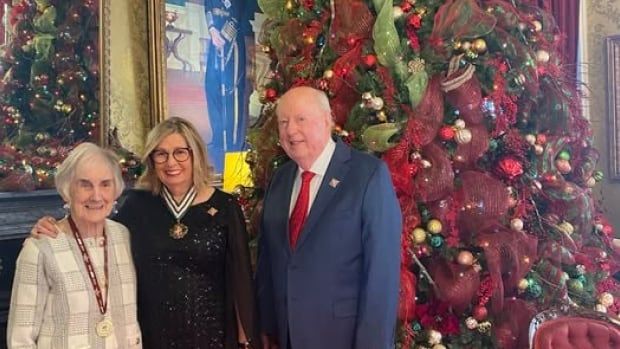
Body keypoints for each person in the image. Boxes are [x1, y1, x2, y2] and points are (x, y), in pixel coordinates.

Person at [32, 117, 258, 349]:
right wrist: (56, 227)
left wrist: (245, 339)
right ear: (152, 160)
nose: (171, 162)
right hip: (151, 332)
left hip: (211, 334)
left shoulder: (224, 206)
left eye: (180, 152)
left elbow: (240, 277)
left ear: (195, 155)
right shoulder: (137, 205)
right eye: (160, 154)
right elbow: (95, 235)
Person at [256, 86, 402, 349]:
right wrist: (266, 328)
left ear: (327, 120)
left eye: (301, 119)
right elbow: (268, 262)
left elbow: (381, 275)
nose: (290, 131)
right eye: (283, 122)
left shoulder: (367, 175)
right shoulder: (279, 180)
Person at [8, 143, 142, 348]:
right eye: (85, 184)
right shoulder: (40, 248)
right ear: (66, 190)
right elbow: (20, 340)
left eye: (105, 184)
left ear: (116, 189)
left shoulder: (124, 236)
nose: (96, 196)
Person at [204, 0, 258, 173]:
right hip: (216, 39)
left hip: (235, 40)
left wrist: (224, 38)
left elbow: (241, 11)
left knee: (232, 93)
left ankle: (233, 146)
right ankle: (219, 139)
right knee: (212, 88)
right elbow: (208, 5)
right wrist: (212, 30)